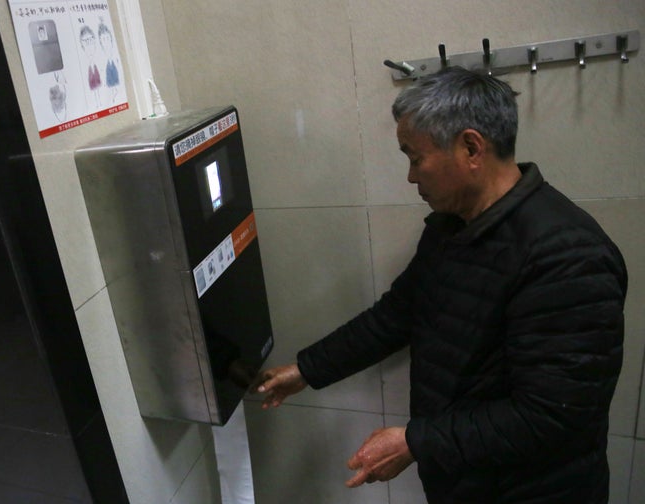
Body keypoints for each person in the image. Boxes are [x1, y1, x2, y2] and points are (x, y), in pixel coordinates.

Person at [252, 66, 627, 503]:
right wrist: (306, 371)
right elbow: (397, 315)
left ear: (471, 148)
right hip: (467, 483)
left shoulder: (568, 255)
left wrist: (415, 442)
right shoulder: (453, 228)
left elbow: (551, 417)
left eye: (415, 158)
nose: (411, 177)